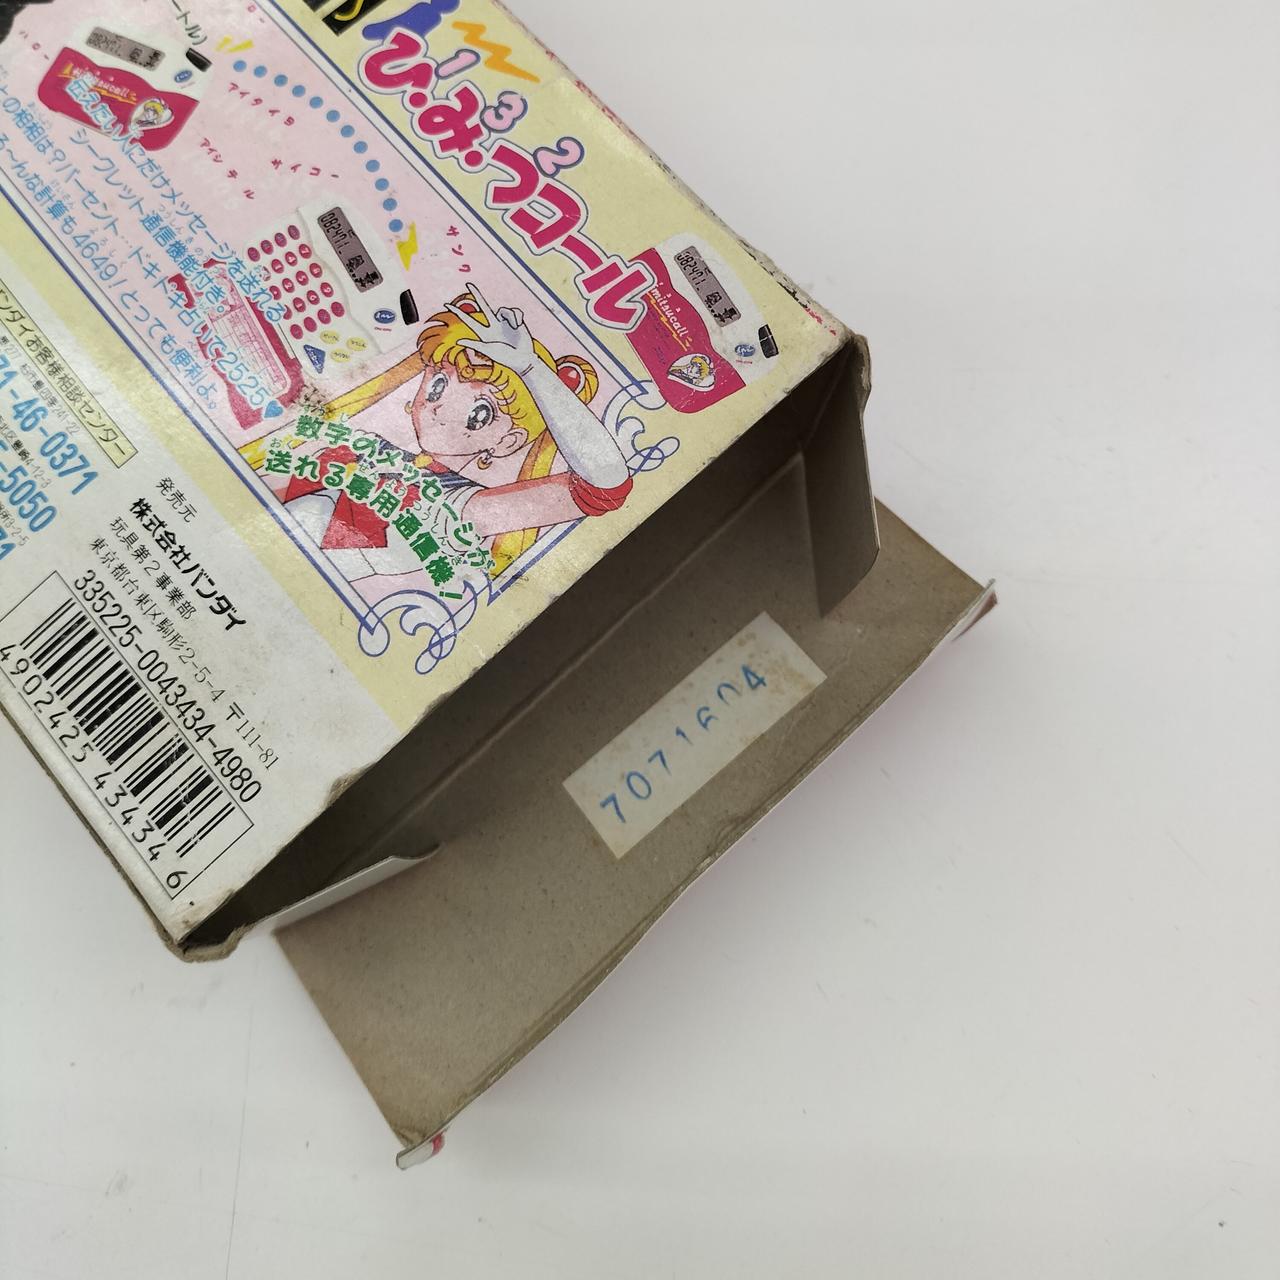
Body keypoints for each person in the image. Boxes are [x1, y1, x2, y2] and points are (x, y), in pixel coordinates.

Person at [282, 284, 633, 590]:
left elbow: (604, 485)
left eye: (480, 413)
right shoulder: (366, 444)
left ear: (507, 441)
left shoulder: (462, 507)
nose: (441, 408)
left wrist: (532, 369)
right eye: (438, 384)